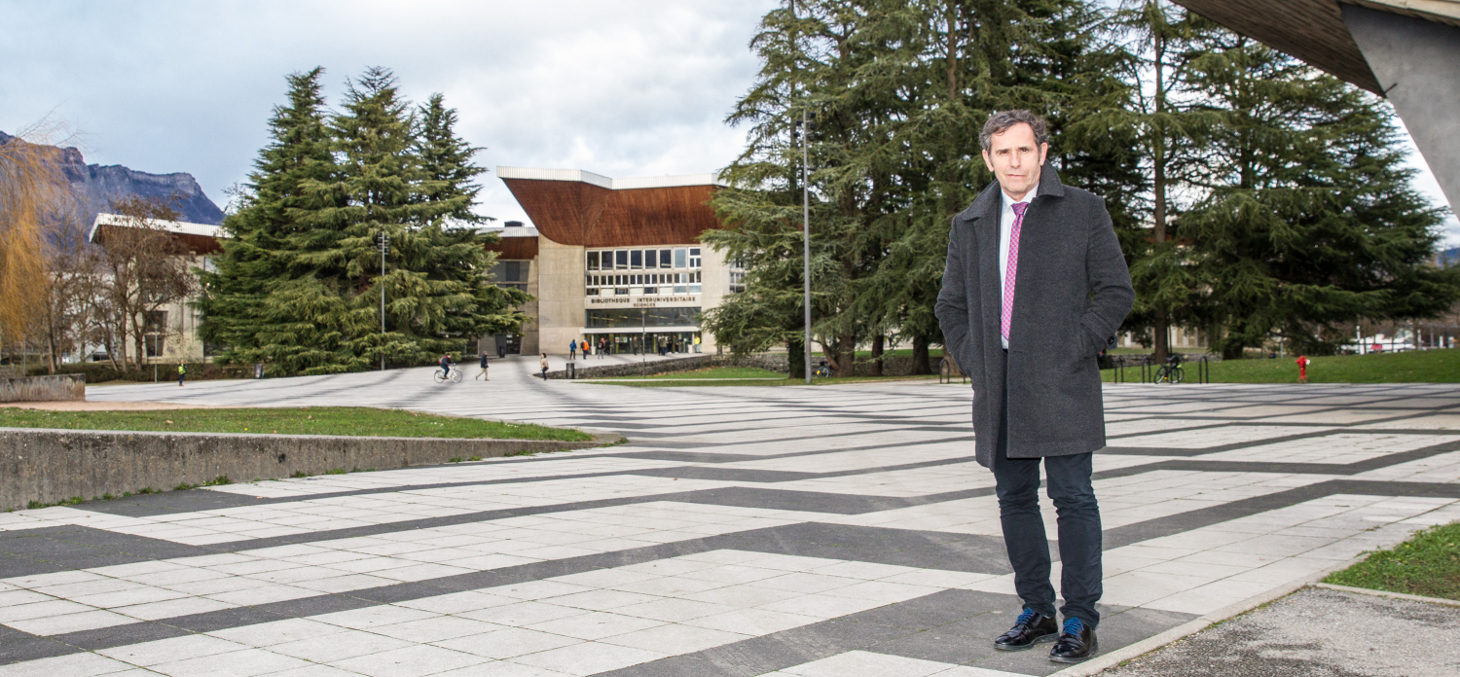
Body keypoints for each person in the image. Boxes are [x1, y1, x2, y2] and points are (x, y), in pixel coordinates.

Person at [935, 110, 1134, 664]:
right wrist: (976, 359)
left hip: (1062, 380)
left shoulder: (1084, 210)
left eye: (1024, 150)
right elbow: (949, 304)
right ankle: (1036, 609)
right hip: (998, 384)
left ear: (1043, 153)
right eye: (1003, 152)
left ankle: (1079, 618)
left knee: (1072, 498)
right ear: (988, 158)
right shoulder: (969, 222)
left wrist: (1075, 346)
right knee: (1013, 497)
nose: (1014, 162)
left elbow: (1116, 291)